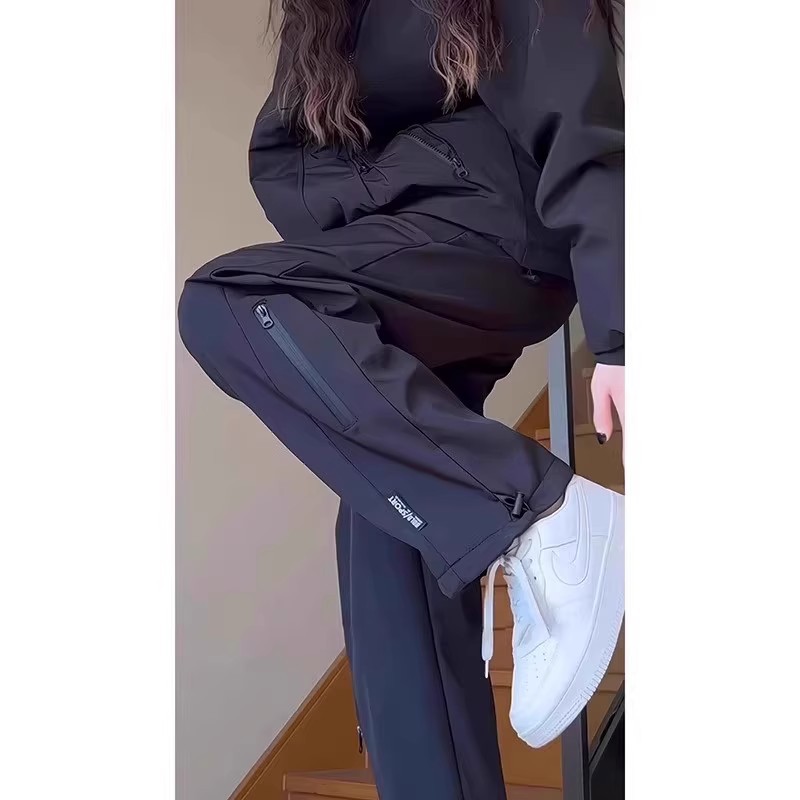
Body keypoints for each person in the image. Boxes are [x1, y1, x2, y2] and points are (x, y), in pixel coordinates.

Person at [178, 1, 624, 798]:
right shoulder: (321, 17)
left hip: (496, 240)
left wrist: (622, 335)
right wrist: (374, 211)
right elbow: (289, 157)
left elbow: (578, 117)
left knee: (230, 302)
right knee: (387, 525)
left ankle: (535, 509)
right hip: (402, 250)